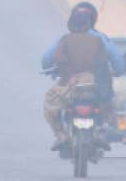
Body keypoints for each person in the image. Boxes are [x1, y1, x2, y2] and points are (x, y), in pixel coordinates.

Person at [43, 9, 109, 151]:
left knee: (49, 101)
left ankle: (60, 134)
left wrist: (68, 75)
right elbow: (103, 63)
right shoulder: (97, 40)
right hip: (90, 83)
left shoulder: (65, 40)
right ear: (87, 25)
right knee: (109, 103)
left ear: (70, 25)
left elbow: (58, 59)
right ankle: (101, 130)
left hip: (69, 83)